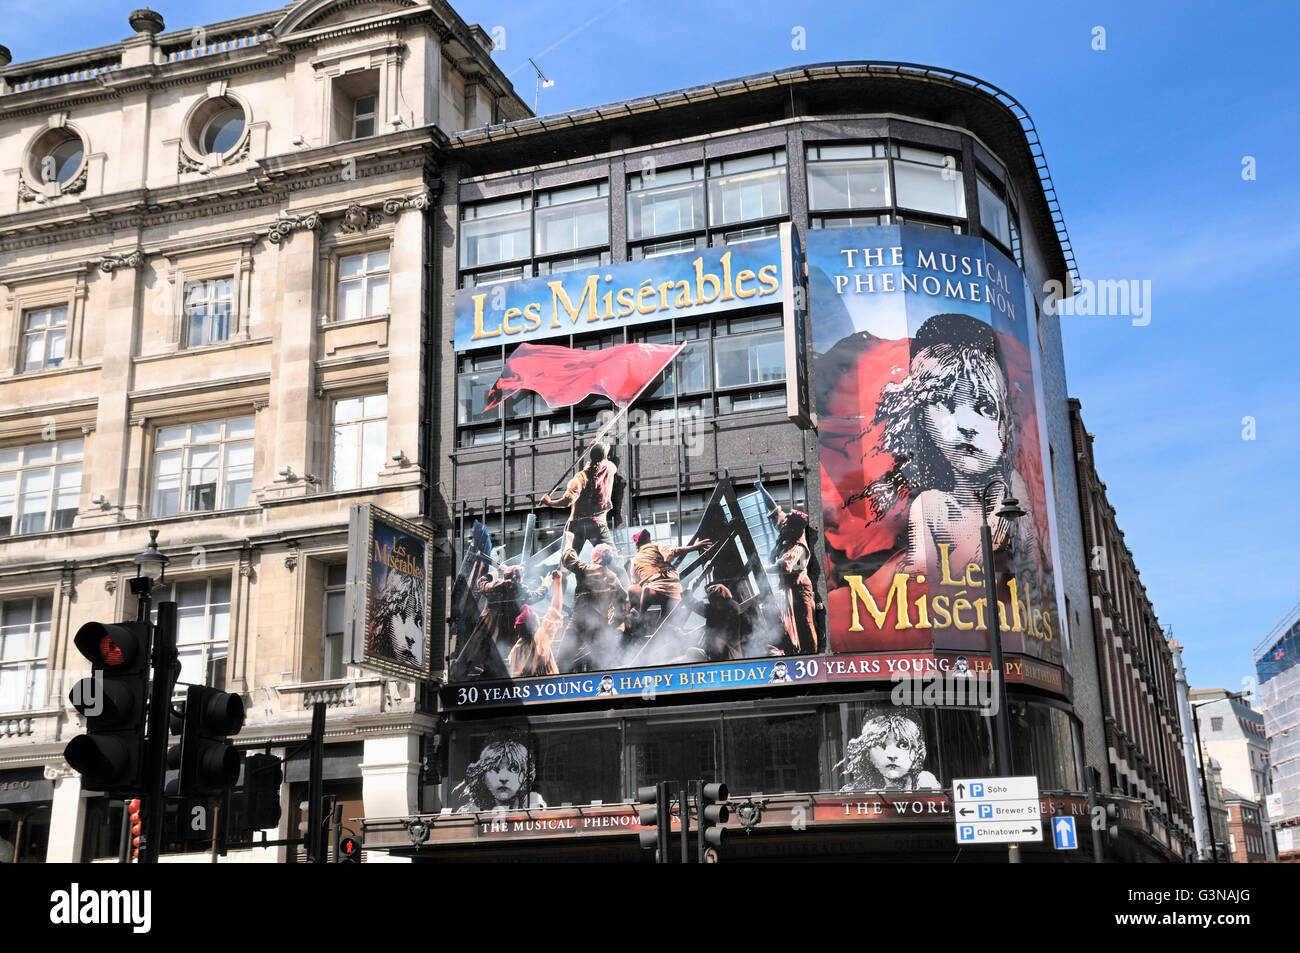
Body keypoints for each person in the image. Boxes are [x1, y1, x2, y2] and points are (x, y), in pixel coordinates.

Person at [450, 565, 549, 681]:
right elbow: (536, 595)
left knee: (475, 653)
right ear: (519, 578)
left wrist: (496, 572)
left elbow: (481, 582)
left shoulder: (494, 586)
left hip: (487, 626)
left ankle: (457, 675)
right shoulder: (520, 589)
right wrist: (546, 584)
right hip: (507, 629)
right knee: (500, 658)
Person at [560, 543, 628, 672]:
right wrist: (612, 624)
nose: (592, 553)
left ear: (598, 556)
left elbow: (568, 558)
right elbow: (623, 603)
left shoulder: (586, 569)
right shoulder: (613, 578)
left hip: (578, 622)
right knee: (599, 664)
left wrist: (569, 544)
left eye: (594, 551)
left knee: (563, 659)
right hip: (600, 626)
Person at [541, 443, 617, 554]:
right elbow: (603, 459)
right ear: (605, 456)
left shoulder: (580, 477)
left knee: (569, 559)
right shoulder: (610, 469)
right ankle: (621, 571)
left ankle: (564, 571)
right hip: (598, 523)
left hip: (578, 525)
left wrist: (549, 502)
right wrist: (598, 448)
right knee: (612, 558)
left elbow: (567, 501)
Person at [837, 709, 940, 791]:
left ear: (918, 752)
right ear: (867, 753)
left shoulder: (925, 782)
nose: (892, 755)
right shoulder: (856, 791)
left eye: (903, 745)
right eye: (881, 745)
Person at [630, 529, 712, 624]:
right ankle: (658, 626)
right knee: (664, 622)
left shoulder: (635, 560)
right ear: (648, 539)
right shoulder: (656, 546)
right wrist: (694, 547)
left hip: (652, 592)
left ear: (637, 544)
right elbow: (673, 551)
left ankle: (639, 614)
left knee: (643, 591)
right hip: (674, 592)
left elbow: (634, 582)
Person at [768, 509, 818, 655]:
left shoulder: (798, 546)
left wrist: (762, 569)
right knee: (794, 622)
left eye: (787, 524)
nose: (783, 526)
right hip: (791, 588)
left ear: (793, 527)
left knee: (804, 623)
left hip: (800, 588)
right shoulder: (787, 540)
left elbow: (784, 565)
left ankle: (810, 654)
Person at [453, 736, 547, 812]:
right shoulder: (471, 808)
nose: (503, 778)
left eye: (514, 769)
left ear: (525, 775)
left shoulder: (534, 801)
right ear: (482, 775)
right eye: (494, 769)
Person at [507, 571, 564, 678]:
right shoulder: (538, 640)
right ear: (535, 625)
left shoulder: (516, 649)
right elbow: (554, 611)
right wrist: (558, 583)